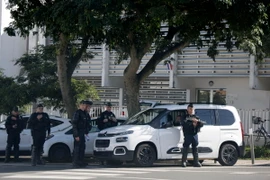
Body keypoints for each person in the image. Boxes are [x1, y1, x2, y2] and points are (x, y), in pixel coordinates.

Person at [181, 103, 204, 167]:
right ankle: (184, 161)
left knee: (195, 148)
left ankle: (196, 162)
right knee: (186, 148)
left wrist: (197, 123)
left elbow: (201, 124)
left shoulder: (196, 117)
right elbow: (184, 124)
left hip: (194, 134)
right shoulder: (185, 117)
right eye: (190, 109)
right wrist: (192, 124)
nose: (191, 110)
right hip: (188, 134)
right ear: (187, 109)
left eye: (192, 109)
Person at [71, 100, 91, 168]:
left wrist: (86, 131)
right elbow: (74, 124)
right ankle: (75, 161)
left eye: (84, 105)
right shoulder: (77, 113)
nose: (83, 106)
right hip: (78, 132)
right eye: (82, 105)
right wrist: (76, 135)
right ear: (79, 105)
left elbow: (88, 123)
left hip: (83, 132)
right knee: (77, 148)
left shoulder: (85, 113)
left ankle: (81, 161)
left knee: (82, 147)